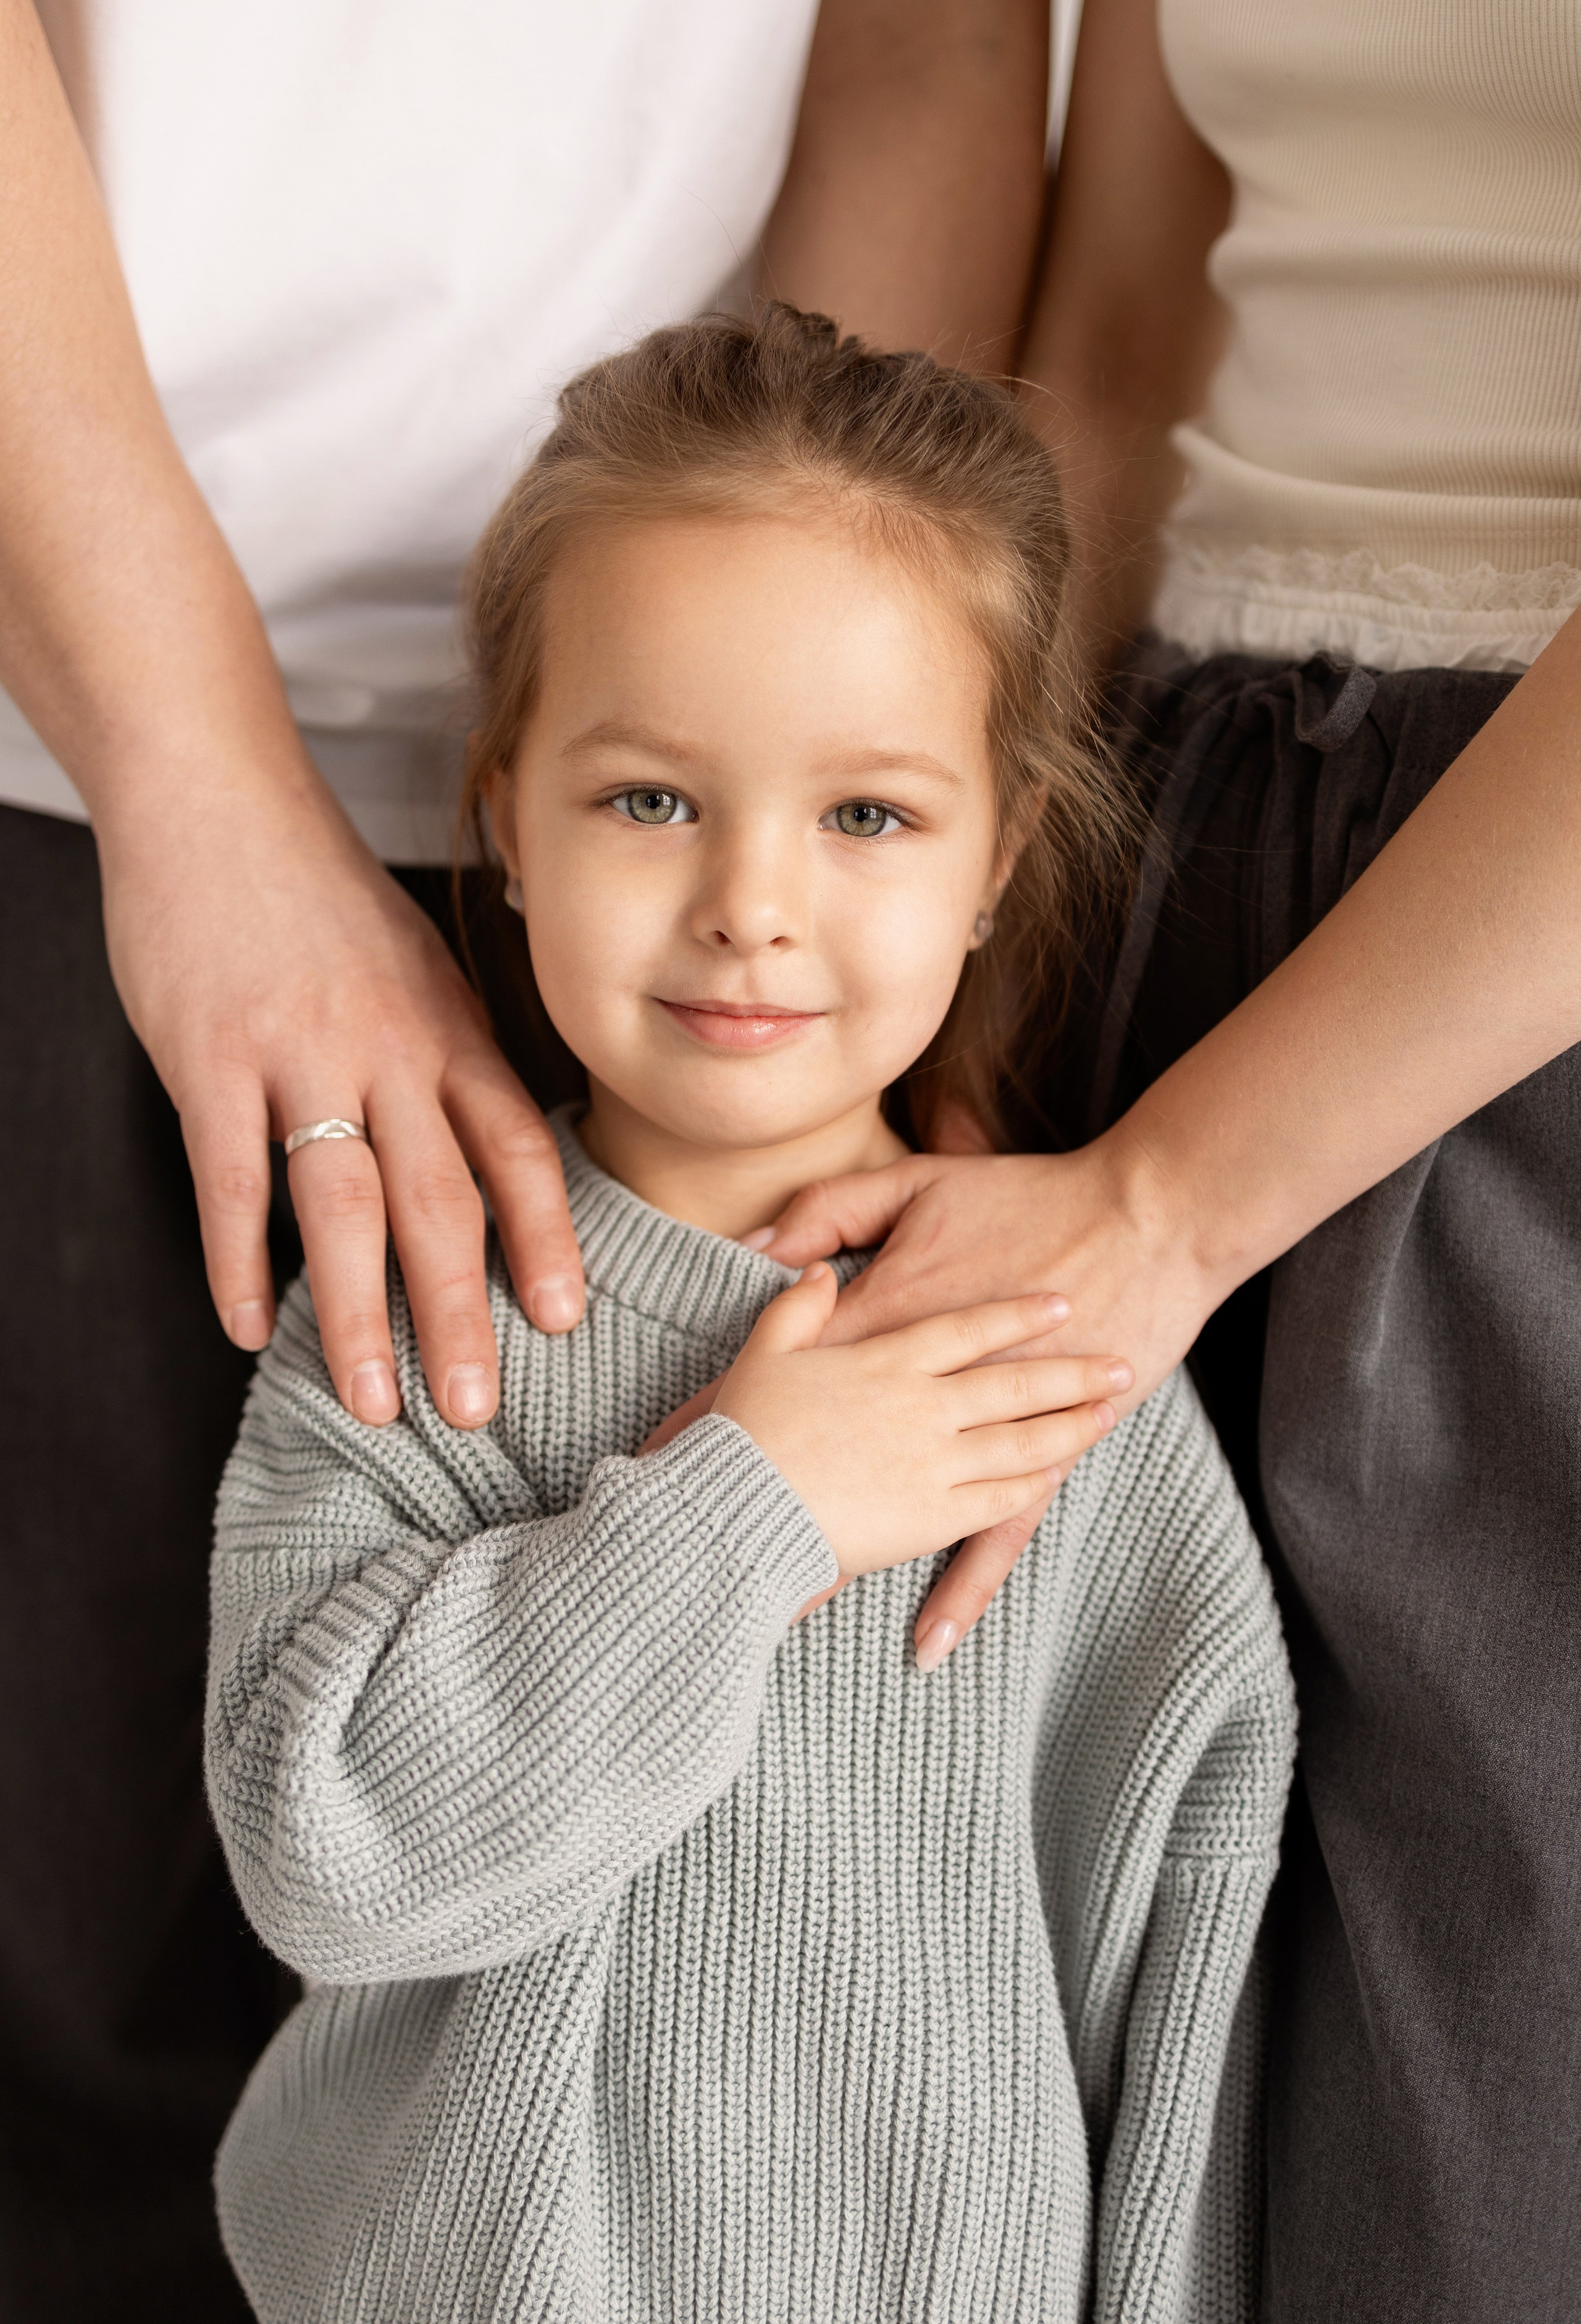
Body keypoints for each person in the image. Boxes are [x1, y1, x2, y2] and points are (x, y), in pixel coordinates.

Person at [0, 0, 1058, 2312]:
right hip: (67, 722)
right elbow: (342, 1834)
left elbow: (944, 41)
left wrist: (809, 677)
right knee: (70, 1969)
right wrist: (194, 777)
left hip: (650, 730)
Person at [206, 306, 1295, 2323]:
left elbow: (1182, 1959)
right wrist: (751, 1508)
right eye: (649, 801)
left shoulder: (1059, 1363)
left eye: (867, 816)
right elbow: (330, 1862)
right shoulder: (417, 1322)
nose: (752, 906)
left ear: (996, 867)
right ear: (506, 818)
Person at [736, 0, 1580, 2317]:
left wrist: (1162, 1204)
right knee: (1054, 2061)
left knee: (1493, 2113)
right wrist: (959, 1008)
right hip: (1169, 830)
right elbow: (1107, 348)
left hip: (1523, 950)